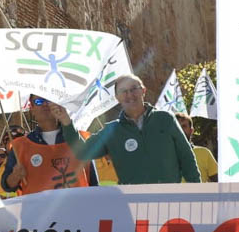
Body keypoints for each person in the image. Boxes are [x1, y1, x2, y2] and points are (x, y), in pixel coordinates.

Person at [54, 74, 200, 184]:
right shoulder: (112, 130)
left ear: (143, 91)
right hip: (133, 204)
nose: (129, 95)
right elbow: (83, 152)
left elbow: (187, 159)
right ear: (117, 98)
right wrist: (66, 122)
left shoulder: (165, 119)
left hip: (170, 199)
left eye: (133, 89)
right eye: (123, 91)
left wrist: (197, 194)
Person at [1, 95, 96, 195]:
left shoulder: (80, 139)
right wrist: (15, 176)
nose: (45, 104)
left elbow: (94, 184)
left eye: (49, 100)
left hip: (77, 208)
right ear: (32, 109)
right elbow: (6, 186)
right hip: (37, 209)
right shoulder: (19, 147)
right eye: (38, 101)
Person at [175, 112, 218, 182]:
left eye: (184, 126)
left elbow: (220, 183)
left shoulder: (204, 153)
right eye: (177, 126)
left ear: (191, 130)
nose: (180, 130)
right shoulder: (164, 156)